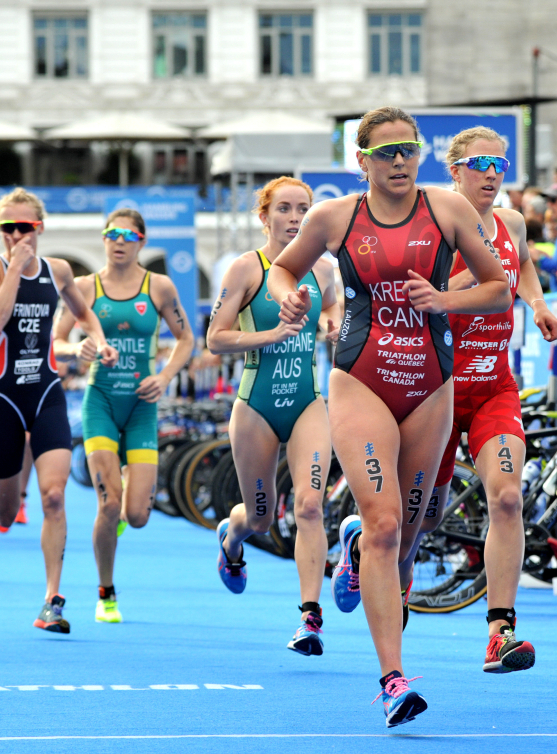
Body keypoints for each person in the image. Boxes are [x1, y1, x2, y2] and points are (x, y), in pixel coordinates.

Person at [268, 106, 516, 727]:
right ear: (363, 162)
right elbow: (282, 269)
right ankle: (392, 679)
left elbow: (498, 289)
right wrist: (289, 299)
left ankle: (357, 549)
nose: (400, 160)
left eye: (408, 149)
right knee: (383, 525)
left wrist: (444, 299)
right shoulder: (334, 218)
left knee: (413, 529)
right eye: (386, 152)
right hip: (362, 380)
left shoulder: (448, 210)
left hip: (432, 385)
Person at [0, 188, 117, 633]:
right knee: (6, 515)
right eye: (8, 229)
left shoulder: (59, 270)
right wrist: (14, 266)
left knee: (54, 496)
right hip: (1, 398)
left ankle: (51, 600)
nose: (17, 235)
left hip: (45, 392)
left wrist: (99, 341)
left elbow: (85, 314)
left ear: (41, 228)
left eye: (25, 228)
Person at [205, 177, 342, 655]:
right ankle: (232, 536)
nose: (295, 217)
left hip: (307, 402)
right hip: (256, 407)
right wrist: (269, 337)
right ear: (264, 217)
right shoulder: (247, 268)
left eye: (303, 208)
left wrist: (330, 323)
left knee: (309, 506)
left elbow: (336, 307)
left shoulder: (323, 269)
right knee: (261, 519)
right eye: (283, 209)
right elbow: (215, 338)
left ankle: (309, 618)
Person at [52, 208, 194, 624]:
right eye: (112, 234)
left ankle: (128, 495)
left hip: (142, 406)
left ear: (141, 242)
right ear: (103, 239)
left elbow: (186, 339)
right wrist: (75, 351)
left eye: (128, 236)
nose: (119, 241)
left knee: (137, 516)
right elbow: (56, 341)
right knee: (108, 506)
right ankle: (106, 592)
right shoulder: (85, 287)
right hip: (100, 402)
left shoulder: (159, 287)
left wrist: (165, 376)